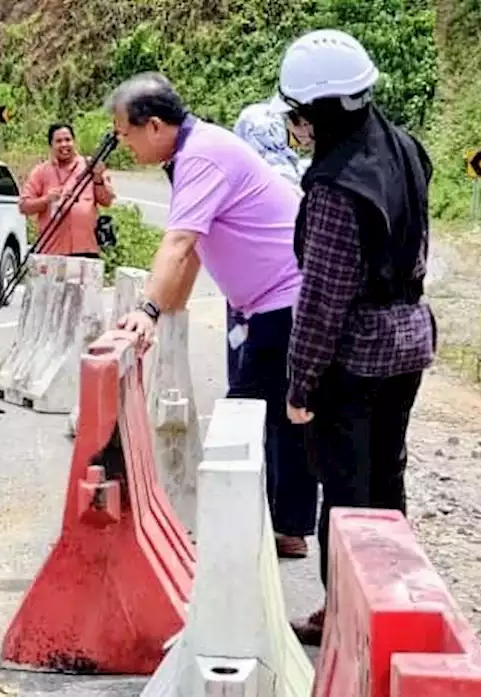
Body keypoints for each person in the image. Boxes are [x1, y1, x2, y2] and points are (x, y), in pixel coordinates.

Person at [106, 72, 319, 560]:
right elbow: (197, 245)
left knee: (243, 417)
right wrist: (165, 313)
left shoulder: (201, 155)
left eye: (125, 133)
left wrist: (146, 309)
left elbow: (178, 241)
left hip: (284, 301)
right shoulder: (193, 152)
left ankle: (247, 531)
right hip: (270, 303)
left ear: (154, 126)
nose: (124, 145)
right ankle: (282, 526)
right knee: (276, 418)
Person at [270, 29, 437, 646]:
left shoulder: (336, 185)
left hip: (357, 359)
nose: (298, 126)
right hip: (408, 341)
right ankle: (390, 602)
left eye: (299, 114)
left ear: (320, 111)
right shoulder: (406, 147)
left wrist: (300, 383)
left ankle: (343, 616)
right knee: (386, 481)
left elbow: (322, 301)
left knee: (344, 494)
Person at [226, 95, 312, 389]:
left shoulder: (250, 181)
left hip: (260, 295)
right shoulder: (302, 171)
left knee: (247, 384)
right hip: (299, 292)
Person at [19, 123, 117, 257]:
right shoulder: (40, 171)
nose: (64, 145)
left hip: (86, 250)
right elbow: (24, 206)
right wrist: (46, 199)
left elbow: (107, 201)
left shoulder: (90, 166)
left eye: (68, 140)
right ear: (51, 145)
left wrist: (98, 179)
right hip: (52, 251)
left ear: (74, 142)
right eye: (59, 141)